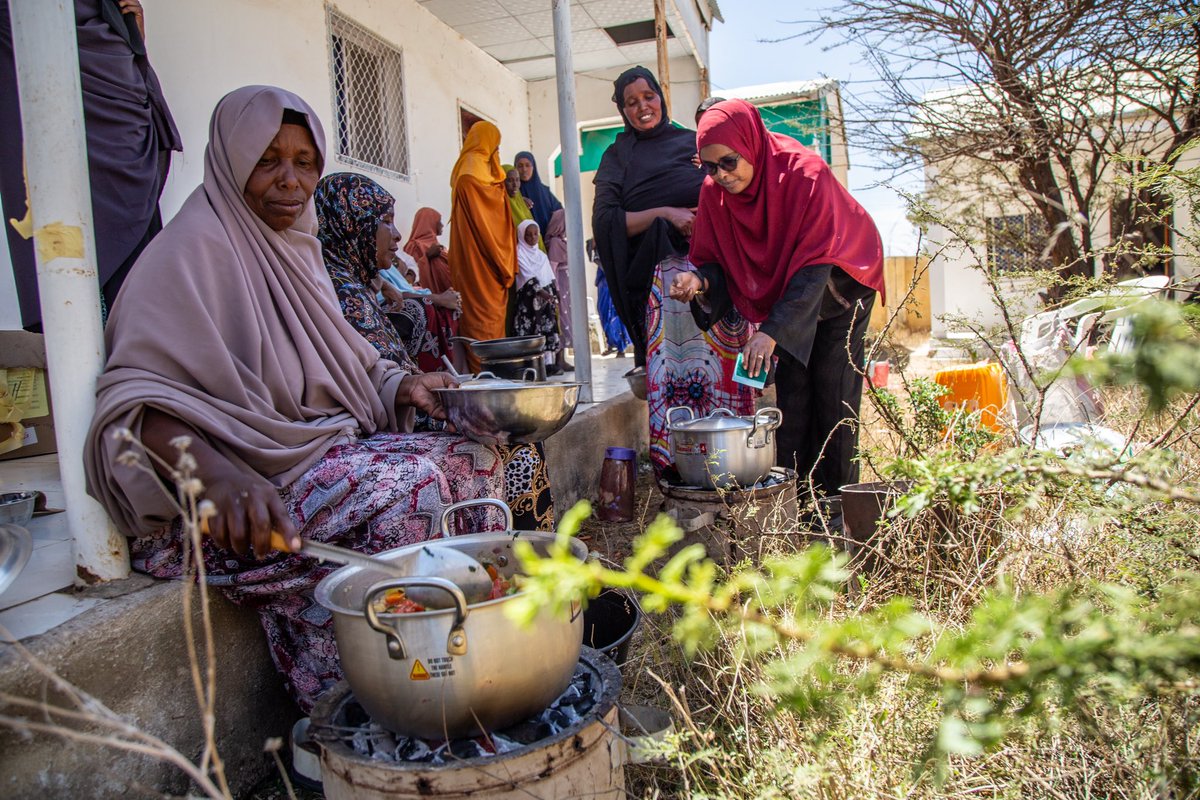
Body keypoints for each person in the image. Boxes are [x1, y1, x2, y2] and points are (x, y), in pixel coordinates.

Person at [83, 87, 507, 712]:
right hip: (225, 505)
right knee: (407, 491)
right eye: (267, 161)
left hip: (300, 461)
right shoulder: (189, 251)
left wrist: (405, 385)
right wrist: (217, 475)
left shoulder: (297, 251)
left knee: (479, 458)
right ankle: (344, 705)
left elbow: (343, 366)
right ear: (230, 162)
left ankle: (464, 663)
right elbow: (134, 397)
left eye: (305, 162)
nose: (291, 181)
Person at [314, 171, 555, 532]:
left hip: (400, 407)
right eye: (385, 222)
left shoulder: (357, 282)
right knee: (515, 448)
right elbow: (365, 388)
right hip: (377, 425)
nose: (396, 235)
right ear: (353, 225)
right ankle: (521, 562)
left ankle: (528, 559)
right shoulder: (338, 291)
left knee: (516, 436)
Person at [673, 99, 884, 497]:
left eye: (729, 163)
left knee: (834, 394)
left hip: (840, 287)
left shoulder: (805, 175)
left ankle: (838, 507)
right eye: (710, 166)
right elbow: (716, 260)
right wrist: (698, 281)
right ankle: (798, 504)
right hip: (788, 295)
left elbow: (814, 267)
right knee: (792, 400)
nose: (721, 176)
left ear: (750, 144)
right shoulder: (715, 194)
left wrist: (771, 332)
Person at [592, 66, 755, 480]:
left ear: (661, 97)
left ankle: (736, 460)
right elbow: (606, 221)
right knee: (677, 376)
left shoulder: (691, 142)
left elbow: (734, 185)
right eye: (631, 102)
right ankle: (679, 465)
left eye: (648, 96)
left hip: (717, 277)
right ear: (621, 109)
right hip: (662, 288)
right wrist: (664, 213)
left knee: (723, 371)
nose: (642, 107)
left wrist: (706, 218)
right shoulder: (617, 157)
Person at [0, 0, 183, 330]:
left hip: (119, 122)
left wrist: (131, 40)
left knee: (137, 297)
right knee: (58, 255)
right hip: (38, 115)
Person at [449, 122, 517, 366]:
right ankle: (487, 377)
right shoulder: (475, 174)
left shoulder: (463, 170)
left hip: (466, 260)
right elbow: (488, 226)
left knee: (477, 318)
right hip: (483, 262)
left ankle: (484, 375)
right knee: (485, 320)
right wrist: (504, 264)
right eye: (495, 147)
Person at [513, 220, 564, 374]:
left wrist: (556, 292)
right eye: (528, 235)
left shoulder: (541, 254)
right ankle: (531, 366)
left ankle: (548, 365)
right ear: (522, 235)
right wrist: (544, 294)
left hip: (545, 300)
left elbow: (550, 274)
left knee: (547, 329)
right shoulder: (518, 252)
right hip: (529, 299)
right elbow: (527, 276)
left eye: (535, 234)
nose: (532, 238)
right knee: (532, 331)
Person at [588, 238, 630, 358]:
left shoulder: (618, 240)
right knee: (604, 312)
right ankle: (611, 344)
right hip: (603, 282)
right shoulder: (596, 240)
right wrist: (593, 244)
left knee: (617, 313)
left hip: (615, 281)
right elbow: (591, 257)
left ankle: (621, 348)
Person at [514, 150, 562, 234]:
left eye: (527, 165)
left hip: (546, 243)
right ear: (515, 168)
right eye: (520, 166)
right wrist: (518, 201)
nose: (524, 169)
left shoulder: (545, 192)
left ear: (533, 167)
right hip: (521, 244)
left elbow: (559, 212)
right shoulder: (513, 192)